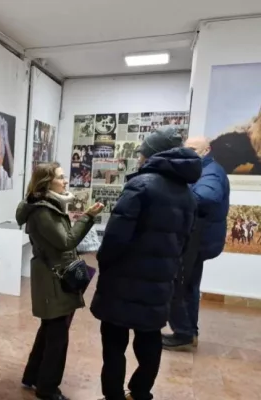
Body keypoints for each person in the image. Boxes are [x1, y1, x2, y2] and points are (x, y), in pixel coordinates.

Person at [91, 127, 201, 400]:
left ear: (152, 155)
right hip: (160, 282)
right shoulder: (187, 194)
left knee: (114, 343)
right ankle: (140, 392)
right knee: (150, 339)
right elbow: (185, 242)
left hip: (123, 281)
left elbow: (115, 237)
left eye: (142, 152)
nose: (139, 157)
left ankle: (113, 395)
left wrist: (104, 263)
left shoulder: (141, 185)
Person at [15, 163, 103, 400]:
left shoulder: (47, 205)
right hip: (52, 278)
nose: (66, 182)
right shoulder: (42, 210)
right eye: (61, 178)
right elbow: (66, 241)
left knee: (50, 329)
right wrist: (88, 217)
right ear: (46, 182)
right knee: (57, 336)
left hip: (55, 275)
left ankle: (33, 376)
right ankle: (47, 388)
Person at [164, 136, 230, 351]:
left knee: (180, 285)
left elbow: (206, 197)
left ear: (207, 149)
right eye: (187, 149)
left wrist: (176, 191)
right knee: (188, 285)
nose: (190, 152)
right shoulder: (204, 169)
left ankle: (184, 332)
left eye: (194, 149)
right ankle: (188, 332)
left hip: (197, 241)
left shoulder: (211, 172)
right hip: (198, 239)